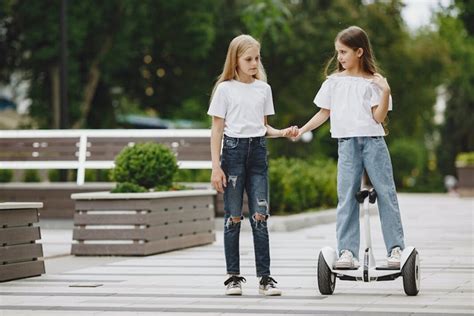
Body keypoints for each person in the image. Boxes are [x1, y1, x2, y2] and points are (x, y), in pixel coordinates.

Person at [296, 26, 405, 269]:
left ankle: (395, 248)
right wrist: (302, 130)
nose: (340, 57)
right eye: (337, 53)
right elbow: (324, 113)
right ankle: (347, 252)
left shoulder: (374, 82)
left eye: (344, 52)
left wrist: (385, 90)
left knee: (386, 194)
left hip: (373, 143)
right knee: (346, 197)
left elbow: (378, 117)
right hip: (347, 146)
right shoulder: (333, 82)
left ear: (359, 51)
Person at [208, 34, 297, 296]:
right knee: (233, 217)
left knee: (260, 216)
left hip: (258, 154)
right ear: (235, 60)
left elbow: (262, 126)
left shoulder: (263, 89)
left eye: (257, 58)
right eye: (248, 59)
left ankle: (265, 279)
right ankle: (233, 277)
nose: (254, 63)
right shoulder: (224, 89)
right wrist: (216, 167)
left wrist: (282, 133)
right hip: (233, 156)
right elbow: (216, 131)